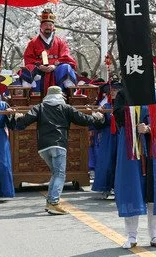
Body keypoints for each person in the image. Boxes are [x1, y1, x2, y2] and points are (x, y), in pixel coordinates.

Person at [15, 85, 104, 214]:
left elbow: (24, 122)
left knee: (56, 174)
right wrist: (96, 117)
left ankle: (50, 202)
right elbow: (83, 120)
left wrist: (18, 117)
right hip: (59, 144)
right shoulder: (66, 108)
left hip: (43, 147)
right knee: (59, 175)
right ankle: (54, 203)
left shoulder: (40, 107)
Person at [113, 82, 156, 249]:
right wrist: (134, 121)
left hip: (155, 145)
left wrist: (149, 128)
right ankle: (131, 236)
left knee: (155, 191)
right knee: (132, 189)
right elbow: (118, 114)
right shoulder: (124, 94)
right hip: (131, 145)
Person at [21, 9, 78, 96]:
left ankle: (68, 92)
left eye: (50, 25)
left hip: (56, 67)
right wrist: (39, 66)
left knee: (66, 67)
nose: (48, 27)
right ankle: (29, 94)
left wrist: (54, 66)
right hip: (39, 68)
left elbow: (66, 56)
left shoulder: (60, 42)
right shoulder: (33, 42)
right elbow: (28, 57)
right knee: (28, 68)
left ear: (53, 27)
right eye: (45, 25)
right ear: (41, 27)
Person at [92, 82, 120, 199]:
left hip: (121, 135)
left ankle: (119, 188)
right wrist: (100, 117)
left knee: (120, 163)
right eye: (111, 90)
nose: (112, 92)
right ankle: (105, 188)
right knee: (106, 162)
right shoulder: (106, 106)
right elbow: (100, 125)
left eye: (115, 90)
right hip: (108, 136)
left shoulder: (125, 105)